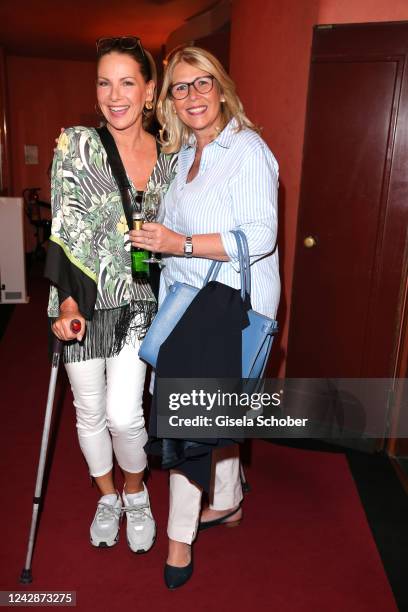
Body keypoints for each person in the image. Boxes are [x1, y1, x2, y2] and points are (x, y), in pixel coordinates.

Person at [130, 46, 280, 587]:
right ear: (169, 99)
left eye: (203, 83)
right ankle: (231, 500)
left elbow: (260, 237)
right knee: (215, 409)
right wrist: (157, 246)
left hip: (235, 302)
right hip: (187, 300)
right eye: (180, 87)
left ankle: (178, 541)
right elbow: (170, 238)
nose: (193, 96)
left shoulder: (249, 151)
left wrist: (180, 242)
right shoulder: (180, 158)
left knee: (190, 412)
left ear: (221, 88)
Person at [45, 36, 177, 553]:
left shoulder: (171, 154)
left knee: (126, 414)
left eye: (127, 82)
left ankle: (136, 491)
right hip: (80, 299)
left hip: (139, 302)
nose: (114, 95)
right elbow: (65, 226)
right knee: (90, 410)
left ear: (149, 91)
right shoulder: (77, 144)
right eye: (104, 82)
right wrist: (70, 304)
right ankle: (107, 495)